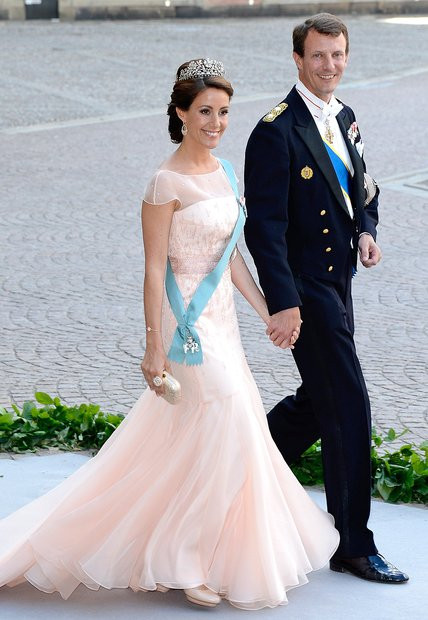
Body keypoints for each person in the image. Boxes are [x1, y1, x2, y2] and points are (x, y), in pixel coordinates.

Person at [0, 58, 340, 611]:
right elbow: (154, 268)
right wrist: (153, 343)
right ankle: (185, 559)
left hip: (224, 326)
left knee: (213, 438)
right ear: (180, 113)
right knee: (228, 427)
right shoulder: (163, 184)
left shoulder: (228, 174)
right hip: (189, 334)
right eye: (204, 111)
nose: (215, 122)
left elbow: (231, 262)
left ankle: (208, 551)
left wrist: (270, 312)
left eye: (224, 112)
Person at [244, 14, 408, 584]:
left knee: (319, 401)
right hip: (307, 291)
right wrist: (282, 302)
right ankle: (353, 544)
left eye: (337, 55)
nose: (329, 66)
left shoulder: (344, 116)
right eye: (318, 56)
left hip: (340, 283)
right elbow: (263, 228)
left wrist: (367, 229)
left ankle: (240, 465)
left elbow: (362, 189)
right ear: (297, 58)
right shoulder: (275, 131)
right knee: (349, 405)